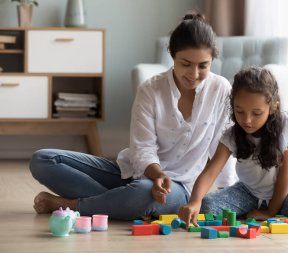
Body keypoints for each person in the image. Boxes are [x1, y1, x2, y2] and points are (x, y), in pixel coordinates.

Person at [29, 12, 237, 220]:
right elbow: (142, 149)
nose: (194, 74)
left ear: (212, 61)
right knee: (43, 160)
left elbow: (222, 148)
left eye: (203, 65)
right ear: (172, 56)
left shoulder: (220, 89)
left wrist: (226, 194)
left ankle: (71, 205)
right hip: (130, 172)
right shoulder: (150, 90)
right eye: (186, 64)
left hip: (178, 188)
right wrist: (157, 175)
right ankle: (120, 203)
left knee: (143, 194)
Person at [178, 66, 288, 226]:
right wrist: (194, 201)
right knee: (207, 205)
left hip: (287, 193)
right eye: (240, 111)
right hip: (249, 192)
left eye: (256, 113)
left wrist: (270, 211)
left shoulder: (285, 127)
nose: (247, 120)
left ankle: (277, 210)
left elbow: (285, 175)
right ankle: (268, 212)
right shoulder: (231, 136)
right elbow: (210, 172)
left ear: (273, 107)